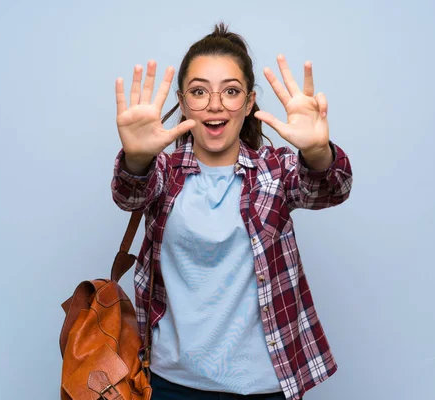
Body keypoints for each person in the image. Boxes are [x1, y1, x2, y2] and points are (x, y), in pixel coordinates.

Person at [111, 23, 353, 400]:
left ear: (250, 101)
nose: (215, 104)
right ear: (183, 99)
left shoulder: (275, 172)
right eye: (199, 92)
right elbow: (128, 194)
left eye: (231, 91)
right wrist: (137, 158)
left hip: (262, 388)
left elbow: (329, 188)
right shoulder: (164, 173)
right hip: (168, 383)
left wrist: (318, 152)